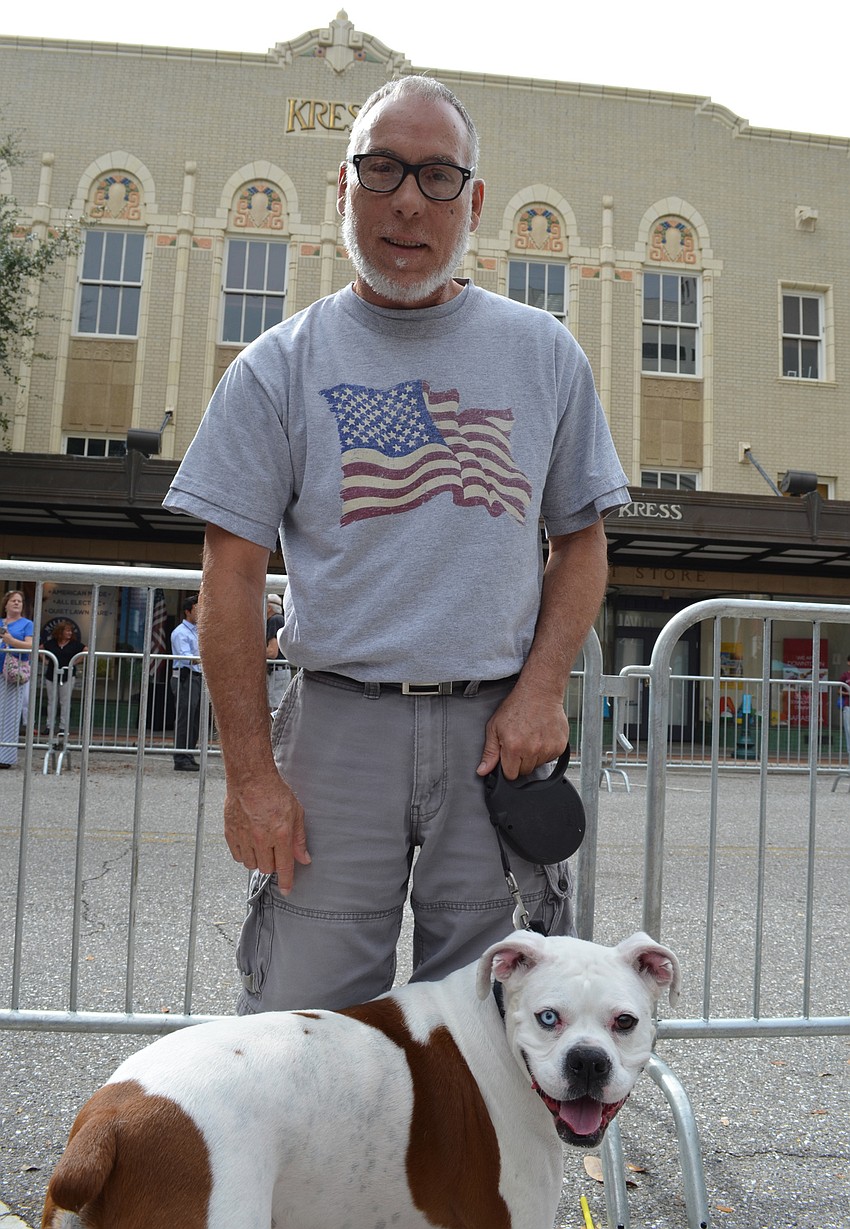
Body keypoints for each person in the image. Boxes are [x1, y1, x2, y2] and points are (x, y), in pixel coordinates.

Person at [164, 76, 629, 1013]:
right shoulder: (275, 369)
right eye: (381, 169)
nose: (408, 200)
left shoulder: (545, 355)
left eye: (436, 175)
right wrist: (250, 775)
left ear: (475, 201)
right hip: (337, 730)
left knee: (494, 1029)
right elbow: (233, 577)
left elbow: (581, 543)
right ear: (343, 188)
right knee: (305, 1022)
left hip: (495, 738)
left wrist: (542, 689)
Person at [0, 590, 34, 769]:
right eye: (13, 600)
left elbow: (30, 645)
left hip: (14, 674)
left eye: (19, 601)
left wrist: (11, 640)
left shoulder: (27, 624)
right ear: (6, 604)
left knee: (10, 715)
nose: (16, 603)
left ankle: (5, 757)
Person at [170, 594, 202, 772]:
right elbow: (185, 657)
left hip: (195, 677)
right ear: (188, 611)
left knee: (194, 719)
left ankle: (188, 753)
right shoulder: (180, 633)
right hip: (185, 677)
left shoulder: (198, 631)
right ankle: (181, 756)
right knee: (185, 718)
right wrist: (204, 658)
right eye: (197, 608)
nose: (201, 612)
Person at [41, 620, 87, 741]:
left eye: (70, 631)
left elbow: (86, 650)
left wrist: (75, 662)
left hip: (67, 675)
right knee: (52, 701)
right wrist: (45, 661)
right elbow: (40, 649)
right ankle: (49, 726)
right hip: (52, 674)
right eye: (67, 631)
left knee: (65, 701)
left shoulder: (75, 644)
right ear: (60, 632)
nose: (69, 633)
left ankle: (63, 727)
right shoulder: (51, 643)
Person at [265, 593, 289, 715]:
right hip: (279, 671)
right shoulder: (279, 619)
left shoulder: (275, 620)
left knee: (274, 708)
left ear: (269, 607)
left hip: (277, 673)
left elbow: (272, 652)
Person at [839, 654, 850, 759]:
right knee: (848, 729)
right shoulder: (845, 676)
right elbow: (839, 690)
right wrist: (848, 693)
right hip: (848, 705)